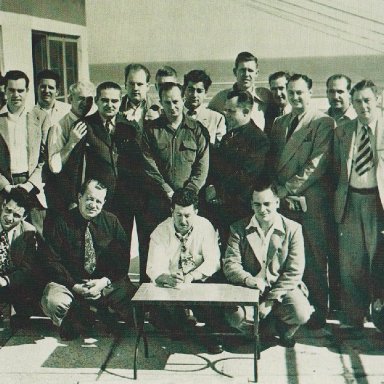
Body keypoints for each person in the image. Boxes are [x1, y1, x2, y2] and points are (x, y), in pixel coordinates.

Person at [269, 74, 335, 329]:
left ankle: (318, 310)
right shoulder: (279, 122)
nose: (295, 97)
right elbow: (274, 159)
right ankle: (287, 310)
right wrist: (276, 188)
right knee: (286, 256)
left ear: (310, 92)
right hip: (283, 201)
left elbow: (317, 164)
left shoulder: (322, 122)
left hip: (310, 201)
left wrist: (287, 188)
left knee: (315, 257)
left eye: (300, 92)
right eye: (291, 92)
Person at [41, 179, 137, 340]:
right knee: (53, 301)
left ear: (104, 202)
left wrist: (103, 282)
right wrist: (75, 285)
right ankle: (77, 317)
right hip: (71, 283)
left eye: (98, 201)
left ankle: (95, 311)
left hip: (103, 284)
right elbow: (51, 260)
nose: (93, 205)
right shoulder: (62, 222)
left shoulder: (112, 222)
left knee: (133, 303)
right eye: (90, 199)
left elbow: (122, 260)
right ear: (80, 197)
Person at [223, 177, 312, 347]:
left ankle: (281, 328)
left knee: (301, 313)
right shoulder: (238, 228)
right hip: (249, 288)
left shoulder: (293, 229)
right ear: (251, 204)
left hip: (280, 290)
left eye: (267, 204)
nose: (262, 209)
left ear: (277, 203)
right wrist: (249, 280)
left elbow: (294, 271)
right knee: (235, 317)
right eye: (257, 204)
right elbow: (230, 265)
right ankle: (261, 332)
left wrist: (269, 301)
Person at [334, 80, 384, 335]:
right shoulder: (344, 130)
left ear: (377, 98)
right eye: (357, 101)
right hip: (351, 200)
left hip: (379, 202)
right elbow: (335, 169)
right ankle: (353, 318)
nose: (362, 106)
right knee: (351, 262)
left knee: (380, 260)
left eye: (367, 100)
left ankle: (380, 317)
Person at [146, 188, 222, 353]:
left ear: (196, 211)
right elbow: (153, 268)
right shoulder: (160, 231)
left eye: (188, 215)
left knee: (217, 313)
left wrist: (192, 276)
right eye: (178, 215)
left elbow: (214, 261)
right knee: (157, 317)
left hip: (199, 283)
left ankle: (206, 331)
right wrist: (167, 277)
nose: (183, 221)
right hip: (173, 286)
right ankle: (184, 323)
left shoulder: (205, 226)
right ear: (171, 210)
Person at [206, 90, 269, 246]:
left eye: (231, 111)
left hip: (242, 210)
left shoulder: (258, 140)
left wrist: (217, 190)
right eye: (225, 110)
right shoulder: (230, 136)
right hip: (224, 208)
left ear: (246, 111)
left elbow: (246, 175)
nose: (226, 114)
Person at [142, 82, 209, 228]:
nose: (172, 107)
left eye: (175, 101)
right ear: (160, 103)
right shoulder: (151, 131)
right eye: (167, 102)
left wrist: (188, 194)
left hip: (188, 206)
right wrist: (166, 189)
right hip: (158, 202)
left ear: (183, 99)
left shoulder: (197, 130)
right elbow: (148, 165)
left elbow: (202, 166)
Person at [0, 70, 51, 235]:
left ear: (27, 91)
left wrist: (29, 185)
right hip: (4, 185)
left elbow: (45, 158)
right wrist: (6, 186)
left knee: (36, 236)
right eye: (12, 90)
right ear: (5, 91)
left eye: (20, 90)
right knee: (6, 237)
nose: (16, 95)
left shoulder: (40, 118)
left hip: (32, 186)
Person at [46, 81, 96, 214]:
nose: (85, 103)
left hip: (91, 195)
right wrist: (71, 143)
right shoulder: (59, 126)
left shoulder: (95, 124)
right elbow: (55, 167)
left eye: (89, 99)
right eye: (80, 98)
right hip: (67, 194)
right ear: (70, 99)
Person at [0, 188, 45, 329]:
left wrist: (5, 280)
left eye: (16, 215)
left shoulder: (29, 233)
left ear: (24, 217)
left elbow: (26, 269)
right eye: (7, 210)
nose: (9, 217)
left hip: (12, 284)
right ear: (3, 204)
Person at [208, 51, 274, 132]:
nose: (246, 74)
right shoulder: (220, 98)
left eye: (250, 70)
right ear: (235, 72)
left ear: (256, 73)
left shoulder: (265, 96)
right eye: (242, 70)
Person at [183, 69, 226, 145]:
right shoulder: (174, 114)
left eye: (199, 91)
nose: (194, 95)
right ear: (184, 90)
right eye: (191, 90)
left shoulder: (217, 119)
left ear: (205, 93)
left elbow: (220, 149)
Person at [120, 63, 155, 130]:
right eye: (132, 84)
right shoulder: (116, 108)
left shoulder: (158, 109)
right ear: (125, 85)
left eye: (139, 84)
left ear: (147, 86)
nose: (135, 88)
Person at [267, 71, 292, 137]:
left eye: (281, 88)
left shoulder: (298, 112)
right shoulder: (269, 114)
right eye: (274, 89)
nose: (278, 93)